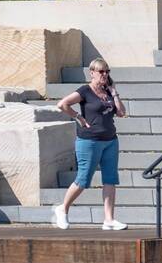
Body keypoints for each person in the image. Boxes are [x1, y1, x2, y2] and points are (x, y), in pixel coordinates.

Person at [53, 57, 128, 230]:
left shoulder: (108, 92)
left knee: (110, 179)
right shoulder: (85, 91)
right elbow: (62, 104)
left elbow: (122, 113)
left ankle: (109, 219)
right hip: (89, 141)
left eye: (107, 71)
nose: (105, 74)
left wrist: (114, 91)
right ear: (92, 73)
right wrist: (78, 116)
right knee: (83, 179)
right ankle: (63, 209)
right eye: (101, 71)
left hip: (110, 140)